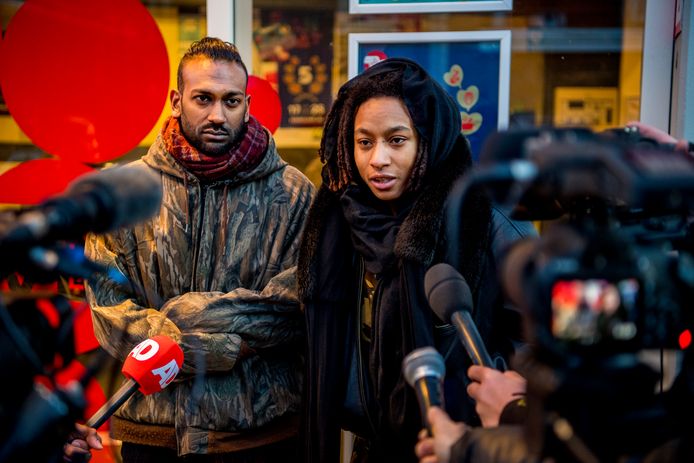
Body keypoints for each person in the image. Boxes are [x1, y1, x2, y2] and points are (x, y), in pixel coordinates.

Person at [82, 37, 315, 461]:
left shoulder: (294, 194)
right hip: (153, 432)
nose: (217, 115)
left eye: (231, 101)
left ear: (247, 103)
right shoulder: (125, 194)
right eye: (202, 98)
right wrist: (214, 347)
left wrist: (181, 321)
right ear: (176, 100)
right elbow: (107, 306)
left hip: (258, 433)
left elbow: (293, 307)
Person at [297, 57, 536, 462]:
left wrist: (478, 381)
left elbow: (533, 342)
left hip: (465, 447)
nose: (378, 160)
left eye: (396, 140)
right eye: (365, 142)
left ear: (428, 142)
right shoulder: (342, 223)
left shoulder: (486, 222)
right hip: (371, 447)